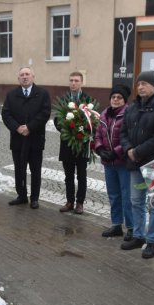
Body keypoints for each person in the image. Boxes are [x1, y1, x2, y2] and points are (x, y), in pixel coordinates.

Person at [119, 71, 154, 258]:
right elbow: (123, 131)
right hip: (135, 165)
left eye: (145, 83)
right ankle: (139, 235)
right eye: (138, 83)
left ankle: (152, 240)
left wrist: (137, 152)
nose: (140, 87)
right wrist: (128, 150)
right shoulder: (132, 108)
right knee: (136, 201)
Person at [1, 66, 51, 209]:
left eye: (27, 74)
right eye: (22, 74)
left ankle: (34, 198)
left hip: (35, 138)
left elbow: (45, 113)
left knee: (35, 170)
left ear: (33, 77)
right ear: (18, 78)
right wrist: (17, 127)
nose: (25, 77)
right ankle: (21, 195)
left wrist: (29, 127)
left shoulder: (42, 93)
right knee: (19, 169)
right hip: (18, 139)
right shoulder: (12, 94)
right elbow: (6, 114)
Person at [93, 84, 133, 239]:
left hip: (122, 163)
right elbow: (98, 134)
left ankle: (131, 227)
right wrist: (100, 149)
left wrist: (115, 152)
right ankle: (116, 225)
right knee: (114, 195)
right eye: (113, 97)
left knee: (126, 196)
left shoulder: (128, 114)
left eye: (119, 97)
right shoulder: (104, 114)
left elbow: (129, 137)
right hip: (108, 163)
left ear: (124, 100)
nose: (116, 100)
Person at [54, 71, 95, 214]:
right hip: (67, 143)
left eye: (76, 80)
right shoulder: (64, 100)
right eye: (71, 80)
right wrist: (67, 130)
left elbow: (93, 122)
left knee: (82, 175)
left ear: (82, 82)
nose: (73, 83)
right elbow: (57, 119)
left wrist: (82, 133)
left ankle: (80, 203)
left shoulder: (88, 99)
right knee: (68, 175)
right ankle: (69, 201)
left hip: (83, 145)